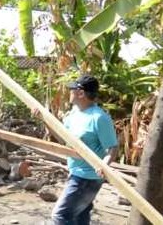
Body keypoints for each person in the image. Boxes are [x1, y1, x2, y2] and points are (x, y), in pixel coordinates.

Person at [51, 75, 118, 225]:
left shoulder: (99, 118)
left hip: (87, 178)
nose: (69, 92)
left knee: (61, 216)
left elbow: (112, 147)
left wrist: (103, 165)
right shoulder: (74, 114)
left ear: (81, 93)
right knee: (80, 216)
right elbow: (63, 139)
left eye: (72, 89)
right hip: (75, 172)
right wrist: (45, 121)